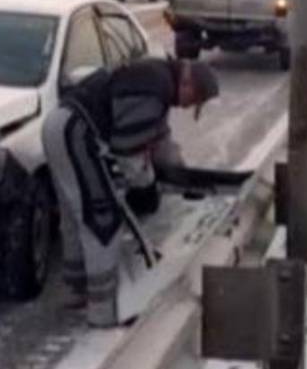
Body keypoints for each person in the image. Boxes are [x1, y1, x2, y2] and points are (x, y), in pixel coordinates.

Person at [42, 56, 225, 326]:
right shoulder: (154, 87)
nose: (188, 107)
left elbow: (160, 139)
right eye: (193, 100)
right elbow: (128, 151)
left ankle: (76, 289)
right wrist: (146, 186)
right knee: (102, 220)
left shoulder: (157, 78)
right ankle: (103, 311)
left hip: (59, 125)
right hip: (77, 135)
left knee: (75, 216)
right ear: (188, 82)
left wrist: (184, 175)